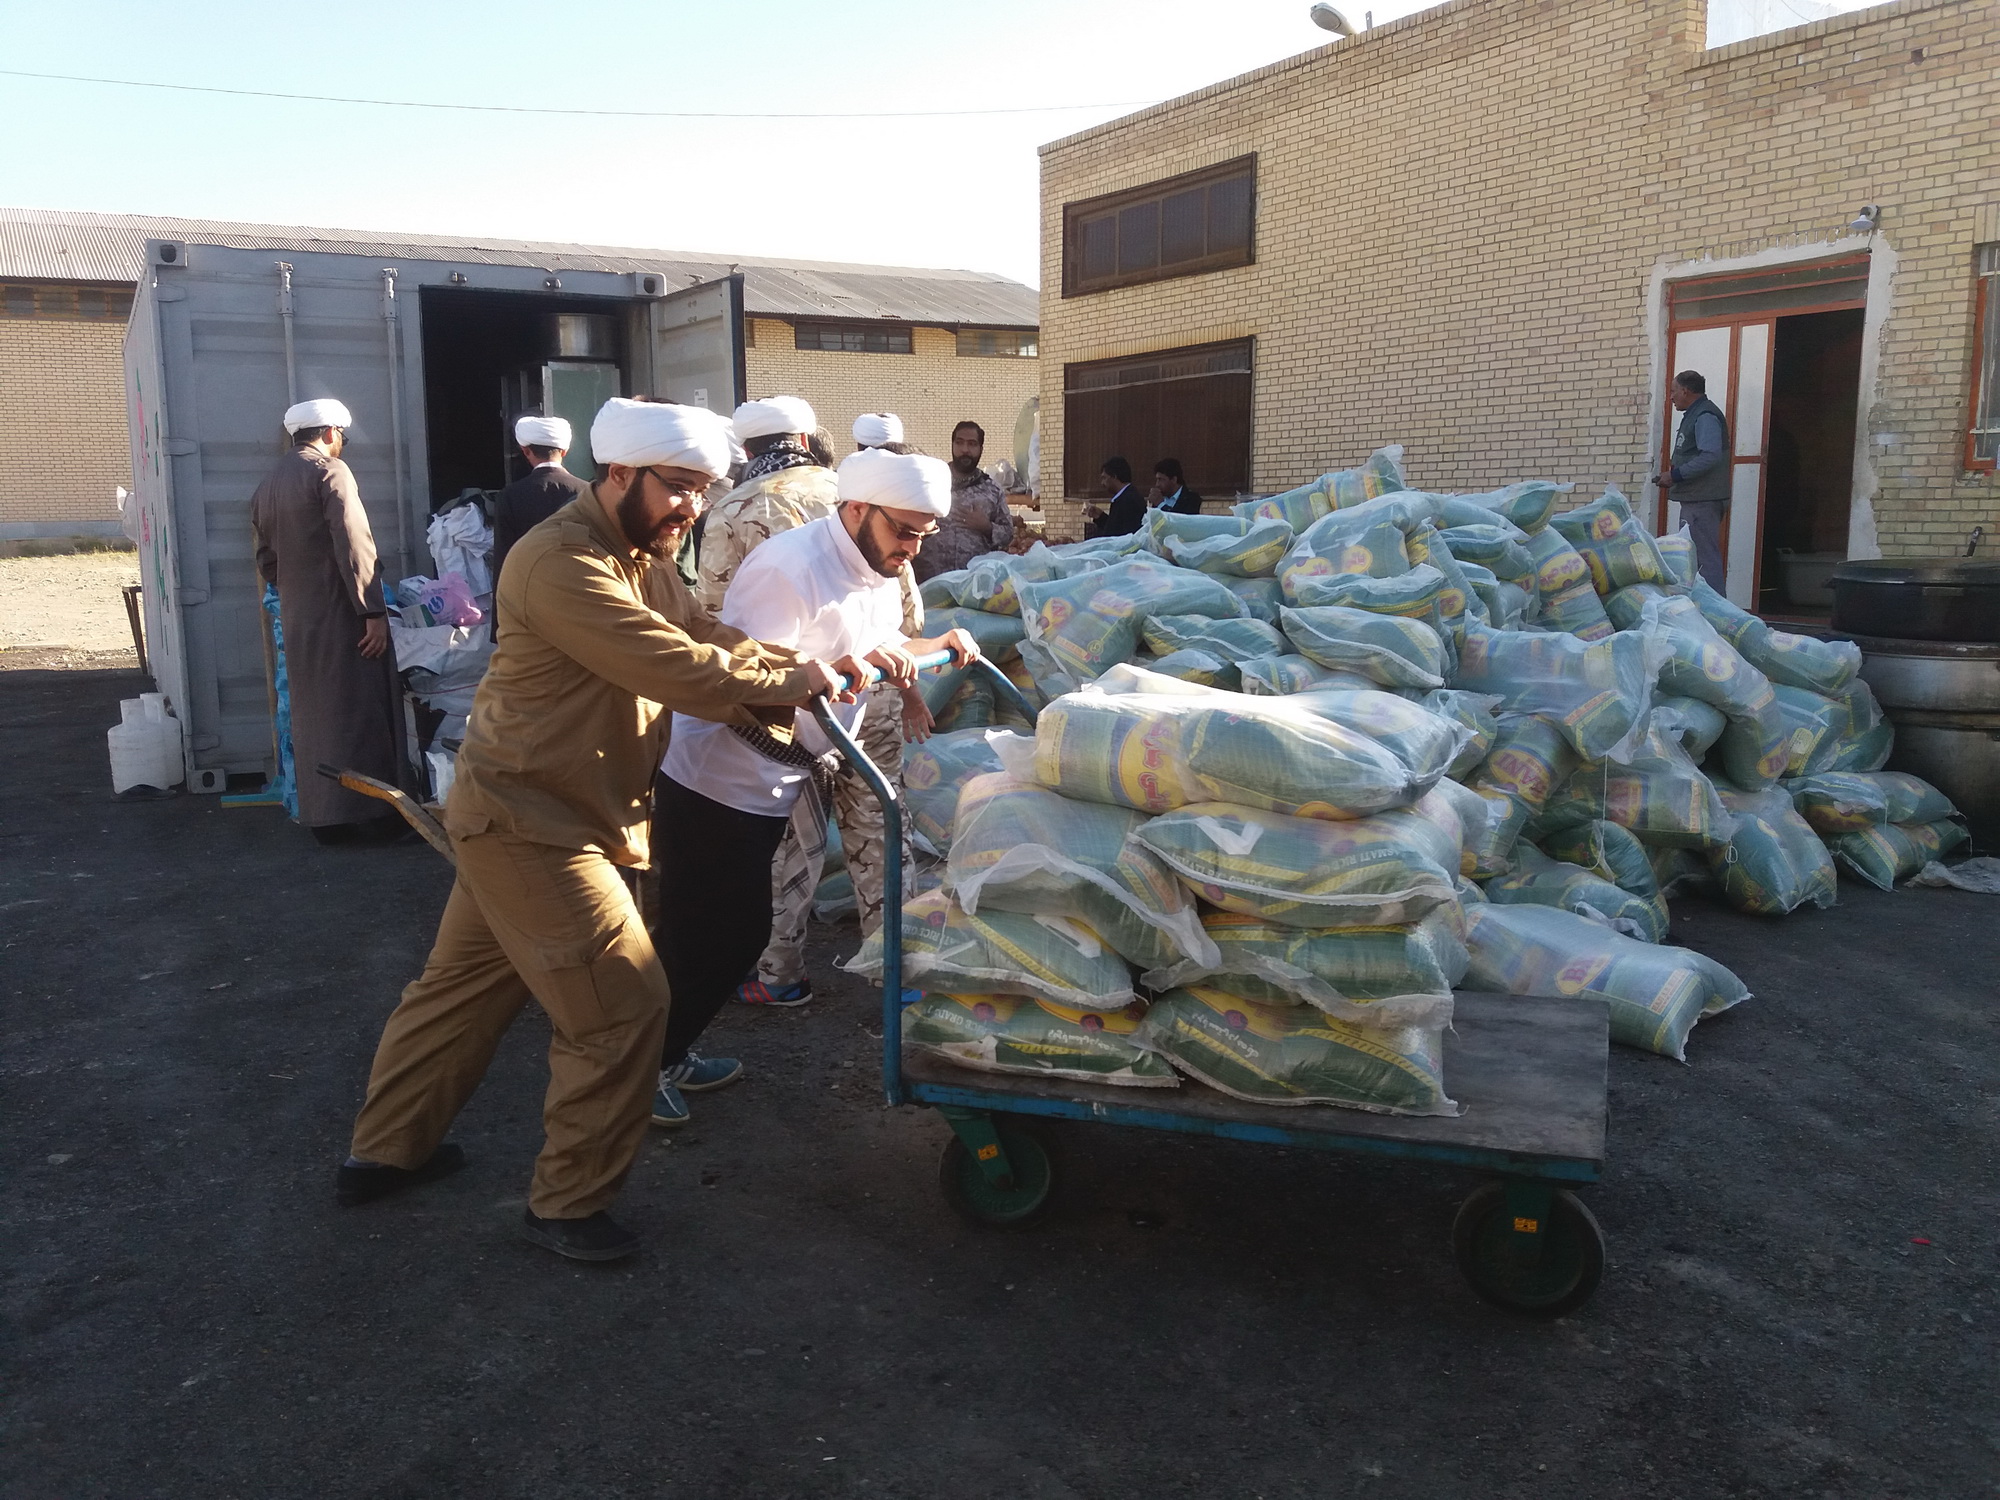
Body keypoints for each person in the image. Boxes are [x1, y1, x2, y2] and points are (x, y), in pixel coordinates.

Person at [338, 398, 852, 1264]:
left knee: (459, 994)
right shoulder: (560, 562)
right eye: (680, 488)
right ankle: (568, 1204)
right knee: (623, 1006)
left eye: (702, 490)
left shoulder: (639, 557)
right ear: (621, 475)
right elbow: (672, 664)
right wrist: (795, 678)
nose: (692, 507)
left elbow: (706, 633)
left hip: (556, 811)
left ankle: (383, 1154)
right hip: (533, 823)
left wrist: (803, 669)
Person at [652, 449, 979, 1126]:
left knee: (730, 937)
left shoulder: (879, 568)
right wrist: (843, 665)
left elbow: (885, 644)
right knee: (705, 936)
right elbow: (750, 680)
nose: (912, 549)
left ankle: (663, 1050)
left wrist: (938, 643)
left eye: (922, 535)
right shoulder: (789, 568)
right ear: (857, 510)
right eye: (904, 532)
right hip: (720, 777)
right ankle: (636, 1066)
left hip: (780, 774)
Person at [251, 398, 407, 845]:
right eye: (342, 438)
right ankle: (373, 818)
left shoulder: (270, 482)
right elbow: (355, 545)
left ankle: (326, 821)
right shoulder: (330, 473)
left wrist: (298, 595)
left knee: (313, 718)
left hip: (299, 620)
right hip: (344, 619)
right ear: (328, 434)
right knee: (360, 713)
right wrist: (372, 611)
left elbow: (267, 558)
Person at [490, 415, 588, 585]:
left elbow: (503, 560)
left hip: (528, 591)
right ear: (564, 451)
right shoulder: (587, 492)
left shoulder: (509, 496)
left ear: (526, 451)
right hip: (577, 589)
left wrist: (500, 609)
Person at [1656, 370, 1731, 590]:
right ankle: (1704, 613)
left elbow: (1710, 455)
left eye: (1673, 391)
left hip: (1703, 500)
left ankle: (1717, 616)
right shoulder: (1694, 414)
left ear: (1685, 391)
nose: (1671, 397)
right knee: (1694, 559)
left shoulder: (1704, 416)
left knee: (1704, 561)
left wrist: (1675, 475)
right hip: (1696, 499)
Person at [914, 421, 1015, 581]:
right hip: (928, 581)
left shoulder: (992, 490)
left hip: (972, 585)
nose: (965, 450)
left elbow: (1008, 535)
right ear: (952, 445)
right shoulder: (931, 482)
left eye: (972, 444)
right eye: (959, 443)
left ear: (981, 449)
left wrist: (986, 527)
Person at [1083, 457, 1144, 537]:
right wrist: (1100, 517)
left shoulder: (1128, 500)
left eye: (1104, 478)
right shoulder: (1124, 498)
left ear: (1114, 476)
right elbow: (1117, 528)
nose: (1102, 483)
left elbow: (1125, 536)